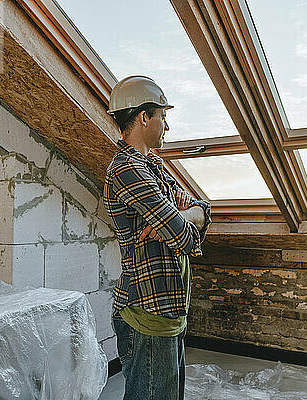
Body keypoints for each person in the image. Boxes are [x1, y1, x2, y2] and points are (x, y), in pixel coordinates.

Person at [103, 75, 211, 400]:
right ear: (144, 116)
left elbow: (203, 210)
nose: (166, 125)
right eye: (162, 116)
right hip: (146, 313)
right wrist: (181, 219)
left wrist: (183, 215)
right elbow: (183, 239)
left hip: (169, 310)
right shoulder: (126, 169)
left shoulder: (154, 165)